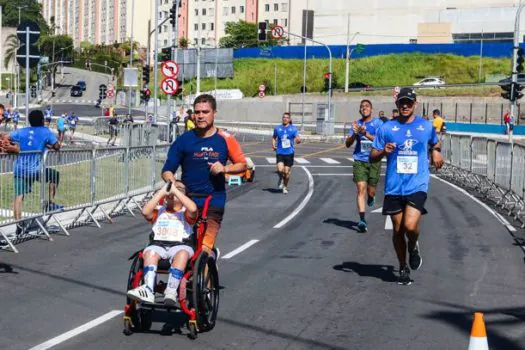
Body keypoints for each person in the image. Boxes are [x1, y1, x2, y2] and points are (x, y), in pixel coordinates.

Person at [370, 88, 443, 285]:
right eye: (402, 102)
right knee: (397, 229)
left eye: (409, 103)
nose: (405, 106)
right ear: (397, 104)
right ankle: (402, 267)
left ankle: (413, 246)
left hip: (417, 183)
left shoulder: (425, 126)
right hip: (394, 185)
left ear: (415, 104)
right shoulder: (387, 129)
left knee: (410, 225)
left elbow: (435, 143)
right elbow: (372, 156)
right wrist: (383, 151)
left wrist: (436, 152)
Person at [162, 94, 247, 257]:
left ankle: (206, 266)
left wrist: (224, 169)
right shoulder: (184, 140)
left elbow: (243, 164)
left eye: (205, 112)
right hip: (187, 199)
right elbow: (167, 169)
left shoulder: (225, 139)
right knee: (183, 246)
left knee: (204, 249)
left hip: (213, 198)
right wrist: (172, 183)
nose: (200, 116)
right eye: (197, 112)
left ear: (214, 113)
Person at [126, 181, 198, 305]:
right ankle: (148, 289)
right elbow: (145, 212)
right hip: (158, 244)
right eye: (173, 188)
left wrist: (175, 191)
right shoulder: (159, 210)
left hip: (181, 245)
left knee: (182, 254)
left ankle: (171, 290)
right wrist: (162, 191)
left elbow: (193, 208)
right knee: (150, 252)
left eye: (179, 188)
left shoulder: (185, 212)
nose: (174, 190)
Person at [4, 110, 63, 235]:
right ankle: (50, 203)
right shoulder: (45, 131)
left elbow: (7, 137)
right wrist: (49, 145)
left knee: (18, 197)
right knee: (55, 175)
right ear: (42, 120)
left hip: (19, 168)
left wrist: (14, 147)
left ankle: (18, 226)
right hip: (35, 170)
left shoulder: (22, 131)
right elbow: (57, 146)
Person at [345, 99, 384, 232]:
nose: (364, 108)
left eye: (367, 106)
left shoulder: (378, 123)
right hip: (359, 160)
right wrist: (355, 133)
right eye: (362, 107)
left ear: (371, 109)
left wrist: (365, 134)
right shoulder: (356, 124)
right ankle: (362, 220)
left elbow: (381, 141)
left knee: (370, 190)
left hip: (374, 160)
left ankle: (372, 196)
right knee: (361, 188)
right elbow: (348, 144)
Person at [272, 112, 301, 195]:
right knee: (280, 169)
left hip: (289, 153)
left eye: (287, 117)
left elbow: (298, 138)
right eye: (283, 117)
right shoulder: (277, 128)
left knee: (287, 173)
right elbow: (274, 137)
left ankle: (285, 187)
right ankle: (281, 178)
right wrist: (273, 145)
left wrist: (298, 140)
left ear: (289, 119)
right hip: (280, 152)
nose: (285, 119)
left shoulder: (293, 129)